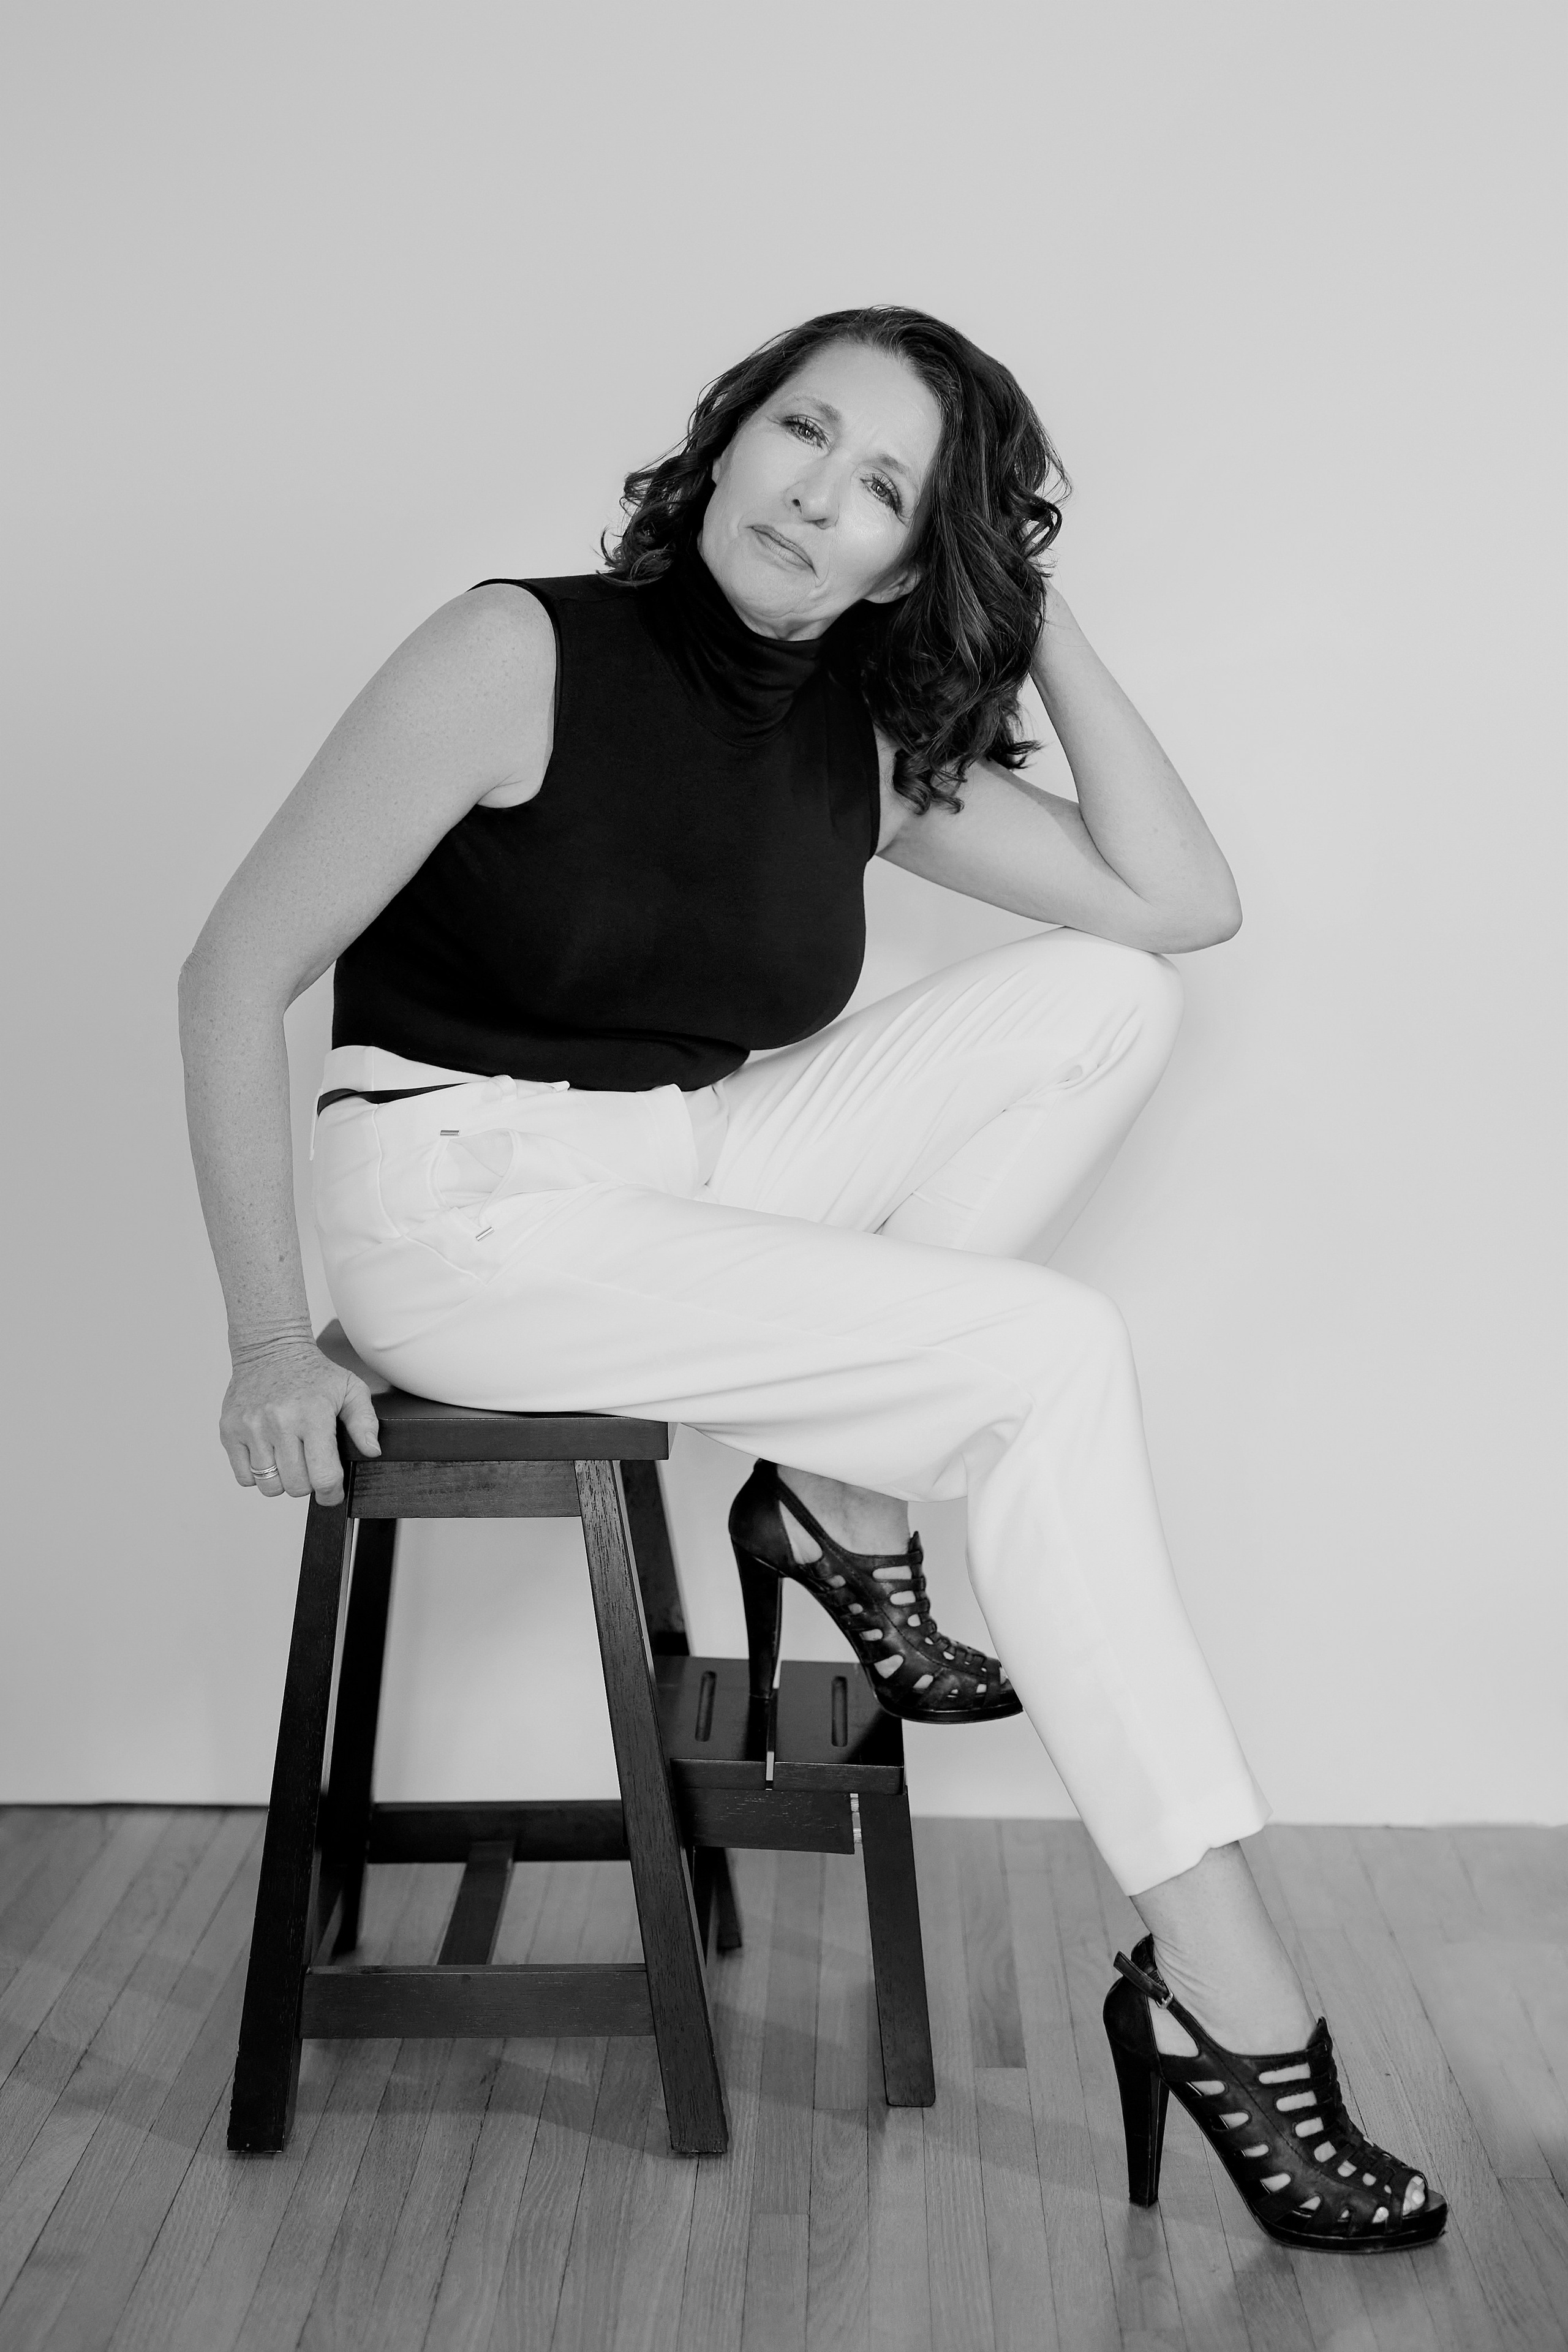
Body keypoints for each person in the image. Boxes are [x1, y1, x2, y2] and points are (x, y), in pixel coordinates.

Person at [179, 304, 1442, 2250]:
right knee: (1049, 1356)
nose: (815, 495)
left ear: (905, 558)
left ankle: (843, 1491)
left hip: (677, 1161)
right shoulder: (517, 651)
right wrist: (272, 1331)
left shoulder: (859, 736)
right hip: (464, 1209)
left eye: (886, 492)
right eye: (801, 431)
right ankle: (1227, 1986)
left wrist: (1027, 614)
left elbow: (1180, 908)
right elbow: (231, 968)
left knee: (1098, 997)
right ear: (726, 435)